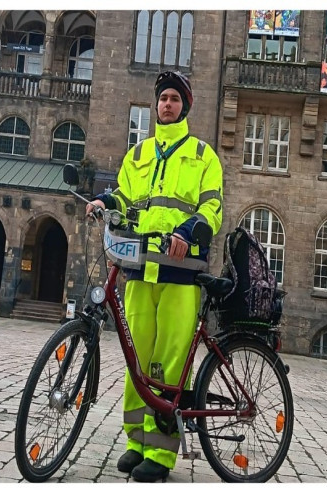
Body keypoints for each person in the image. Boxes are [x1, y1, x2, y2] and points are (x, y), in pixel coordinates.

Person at [86, 71, 223, 482]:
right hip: (140, 267)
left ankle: (161, 456)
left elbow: (212, 207)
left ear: (185, 107)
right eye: (163, 98)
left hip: (181, 274)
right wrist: (102, 201)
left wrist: (188, 230)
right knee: (137, 357)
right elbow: (125, 197)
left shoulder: (203, 156)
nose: (167, 104)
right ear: (155, 104)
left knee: (167, 362)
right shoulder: (139, 154)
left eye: (174, 99)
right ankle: (136, 441)